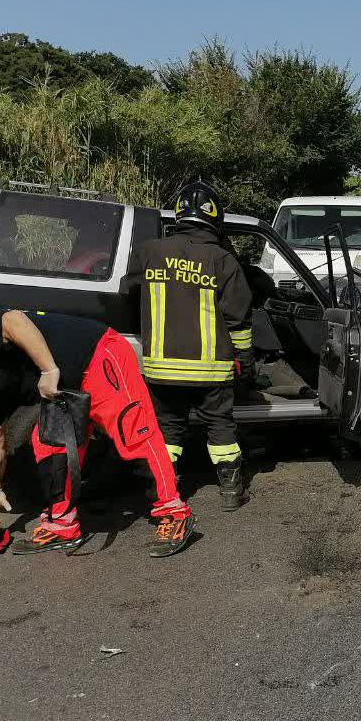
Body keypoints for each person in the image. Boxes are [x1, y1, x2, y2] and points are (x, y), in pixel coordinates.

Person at [0, 309, 194, 557]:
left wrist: (48, 370)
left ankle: (174, 513)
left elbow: (13, 320)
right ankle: (62, 525)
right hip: (61, 386)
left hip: (97, 353)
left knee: (133, 433)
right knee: (50, 445)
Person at [125, 180, 254, 512]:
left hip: (161, 369)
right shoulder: (223, 261)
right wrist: (246, 361)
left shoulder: (148, 252)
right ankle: (230, 492)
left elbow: (127, 296)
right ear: (214, 218)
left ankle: (161, 490)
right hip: (212, 371)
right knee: (220, 426)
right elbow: (238, 320)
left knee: (168, 429)